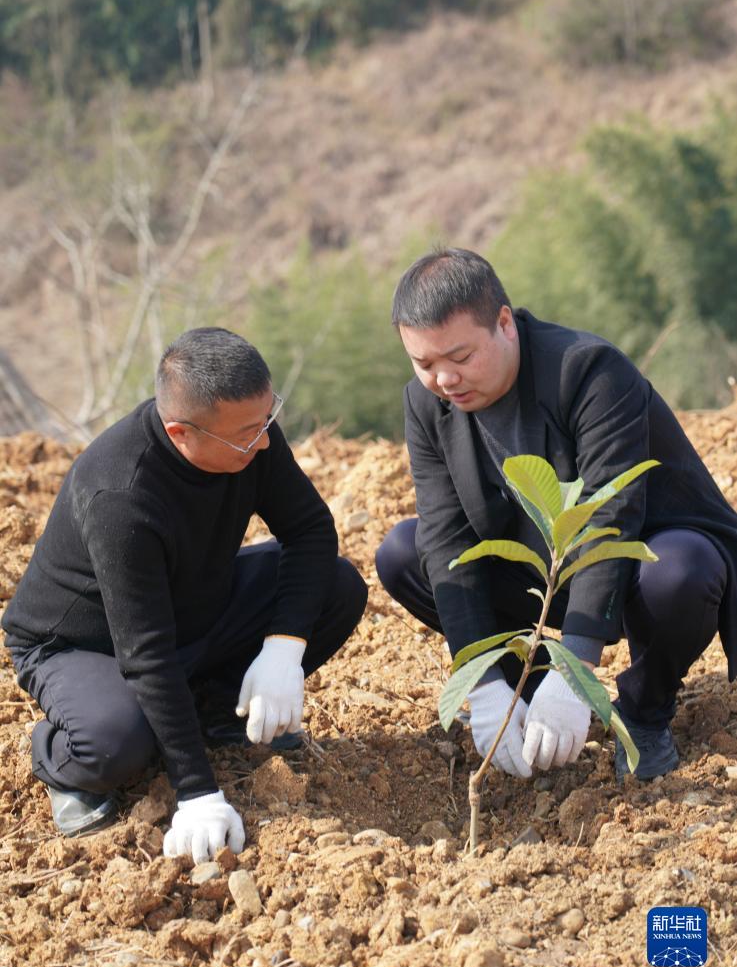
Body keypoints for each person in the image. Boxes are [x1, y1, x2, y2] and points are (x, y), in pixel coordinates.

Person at [2, 327, 367, 861]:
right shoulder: (122, 496)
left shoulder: (247, 433)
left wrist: (284, 647)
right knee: (116, 745)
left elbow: (309, 530)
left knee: (335, 587)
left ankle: (216, 713)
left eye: (268, 419)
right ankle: (61, 757)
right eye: (247, 433)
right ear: (180, 432)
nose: (264, 441)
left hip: (190, 604)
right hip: (86, 643)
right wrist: (196, 792)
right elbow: (145, 652)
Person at [376, 248, 737, 782]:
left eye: (460, 357)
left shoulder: (587, 371)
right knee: (405, 553)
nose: (444, 380)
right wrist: (483, 685)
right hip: (538, 571)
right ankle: (526, 693)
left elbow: (607, 516)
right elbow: (447, 536)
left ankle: (642, 712)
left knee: (682, 571)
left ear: (504, 323)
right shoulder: (426, 404)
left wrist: (578, 672)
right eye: (424, 363)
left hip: (639, 556)